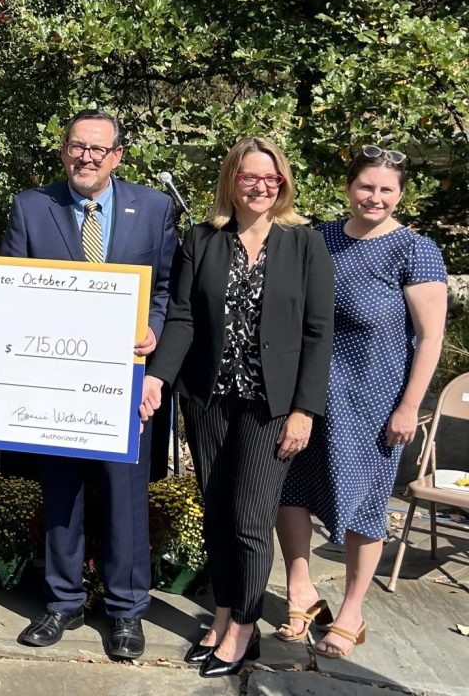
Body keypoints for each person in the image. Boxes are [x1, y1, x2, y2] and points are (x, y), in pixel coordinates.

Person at [139, 136, 335, 678]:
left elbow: (319, 334)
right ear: (232, 181)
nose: (261, 186)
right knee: (219, 515)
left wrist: (304, 411)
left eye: (270, 178)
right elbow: (181, 317)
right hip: (209, 402)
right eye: (250, 176)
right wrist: (159, 379)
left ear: (283, 183)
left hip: (272, 408)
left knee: (251, 521)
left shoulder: (305, 245)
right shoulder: (202, 240)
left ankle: (244, 630)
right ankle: (223, 613)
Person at [1, 109, 177, 661]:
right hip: (57, 384)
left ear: (117, 157)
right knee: (62, 494)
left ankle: (127, 611)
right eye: (78, 146)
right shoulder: (33, 207)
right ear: (64, 150)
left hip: (126, 381)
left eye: (99, 150)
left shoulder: (152, 208)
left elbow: (169, 286)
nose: (87, 157)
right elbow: (7, 285)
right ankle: (63, 600)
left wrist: (155, 330)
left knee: (126, 497)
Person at [277, 146, 447, 658]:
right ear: (349, 188)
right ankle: (301, 592)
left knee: (367, 507)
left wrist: (409, 406)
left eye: (386, 189)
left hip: (376, 399)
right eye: (366, 186)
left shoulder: (415, 251)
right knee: (293, 490)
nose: (374, 197)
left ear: (400, 195)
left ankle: (352, 610)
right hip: (308, 394)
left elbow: (431, 337)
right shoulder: (318, 237)